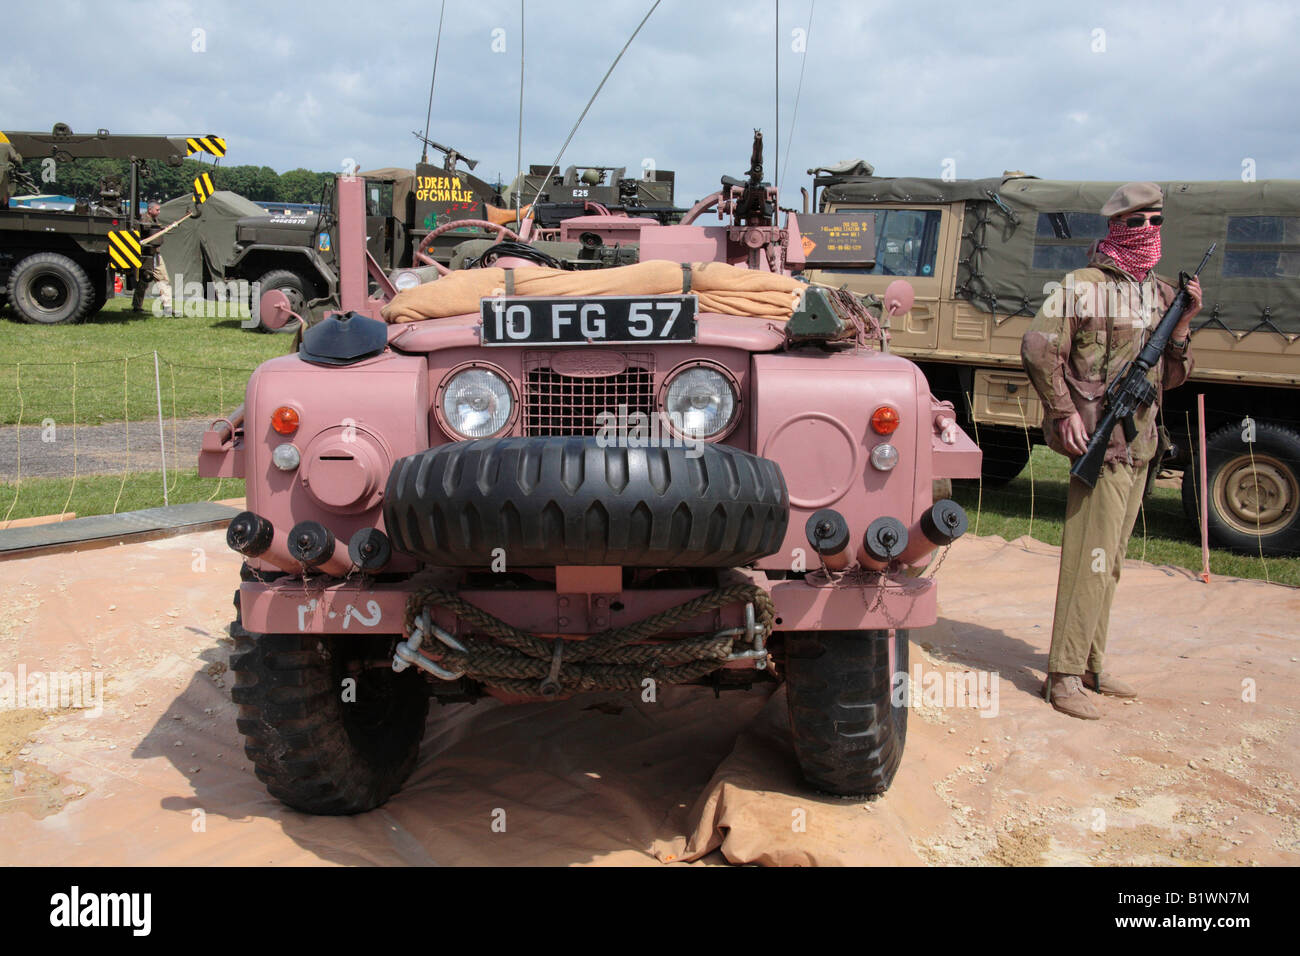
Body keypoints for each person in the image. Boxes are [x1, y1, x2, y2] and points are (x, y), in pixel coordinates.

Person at [1020, 182, 1202, 720]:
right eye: (1139, 223)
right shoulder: (1081, 285)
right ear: (1116, 228)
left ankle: (1092, 663)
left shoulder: (1162, 294)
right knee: (1087, 561)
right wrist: (1062, 412)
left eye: (1158, 222)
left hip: (1142, 445)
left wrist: (1184, 323)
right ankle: (1064, 675)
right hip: (1102, 442)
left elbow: (1172, 377)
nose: (1150, 233)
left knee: (1111, 561)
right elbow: (1038, 347)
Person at [131, 201, 173, 314]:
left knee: (163, 280)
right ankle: (137, 306)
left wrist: (167, 228)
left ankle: (167, 307)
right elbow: (148, 231)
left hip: (155, 254)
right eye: (157, 210)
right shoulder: (144, 219)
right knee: (143, 281)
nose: (159, 212)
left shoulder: (155, 220)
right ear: (150, 210)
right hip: (146, 255)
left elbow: (157, 230)